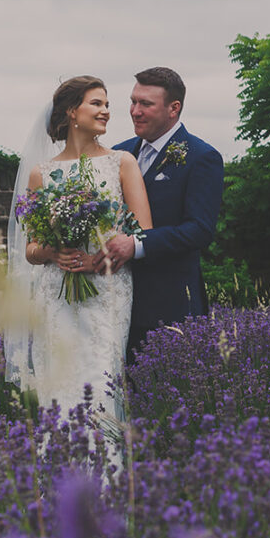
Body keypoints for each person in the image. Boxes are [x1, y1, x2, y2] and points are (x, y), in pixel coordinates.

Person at [4, 76, 152, 423]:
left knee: (101, 384)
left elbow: (144, 233)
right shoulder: (42, 173)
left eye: (107, 105)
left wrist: (98, 259)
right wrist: (54, 253)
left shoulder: (122, 163)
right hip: (56, 295)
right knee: (59, 385)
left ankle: (103, 472)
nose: (106, 111)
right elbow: (31, 250)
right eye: (96, 103)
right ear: (72, 112)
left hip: (106, 291)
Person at [97, 67, 224, 360]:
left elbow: (199, 229)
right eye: (133, 101)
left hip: (169, 306)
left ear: (173, 108)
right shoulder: (118, 153)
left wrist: (137, 245)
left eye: (146, 104)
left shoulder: (201, 157)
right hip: (114, 300)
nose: (135, 111)